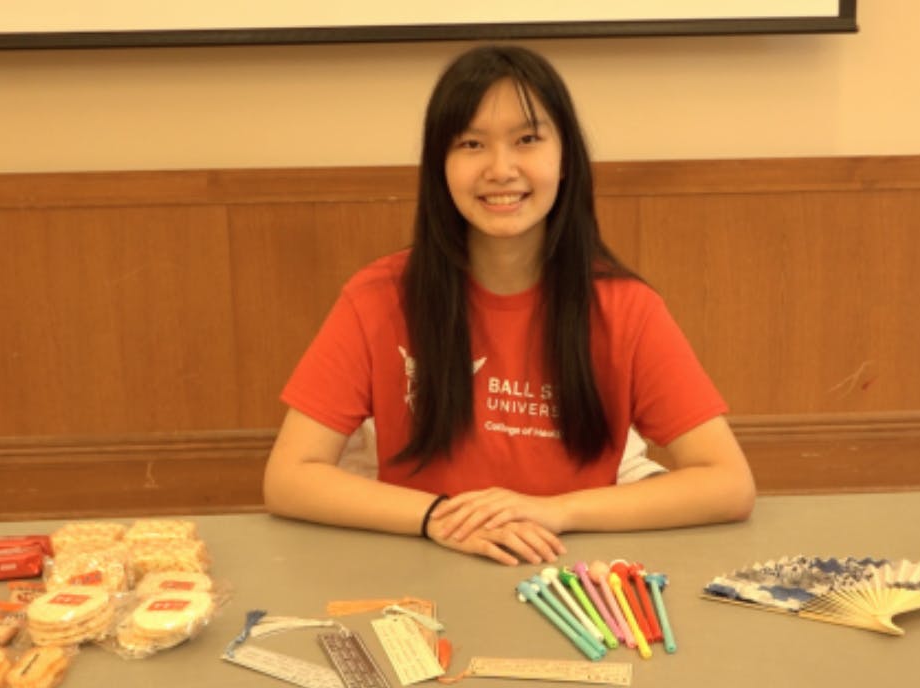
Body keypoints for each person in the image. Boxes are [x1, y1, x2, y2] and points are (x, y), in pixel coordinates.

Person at [263, 44, 755, 566]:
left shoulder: (627, 308)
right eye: (471, 144)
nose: (501, 169)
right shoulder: (378, 296)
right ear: (440, 167)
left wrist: (556, 511)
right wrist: (438, 517)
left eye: (527, 140)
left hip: (570, 574)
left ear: (565, 160)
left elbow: (728, 483)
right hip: (418, 571)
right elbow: (289, 477)